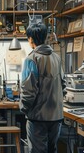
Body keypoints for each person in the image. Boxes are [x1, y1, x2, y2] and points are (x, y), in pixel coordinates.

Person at [19, 23, 66, 153]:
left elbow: (28, 91)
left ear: (30, 39)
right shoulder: (56, 57)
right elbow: (63, 85)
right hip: (56, 117)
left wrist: (24, 108)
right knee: (52, 150)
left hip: (37, 117)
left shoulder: (31, 59)